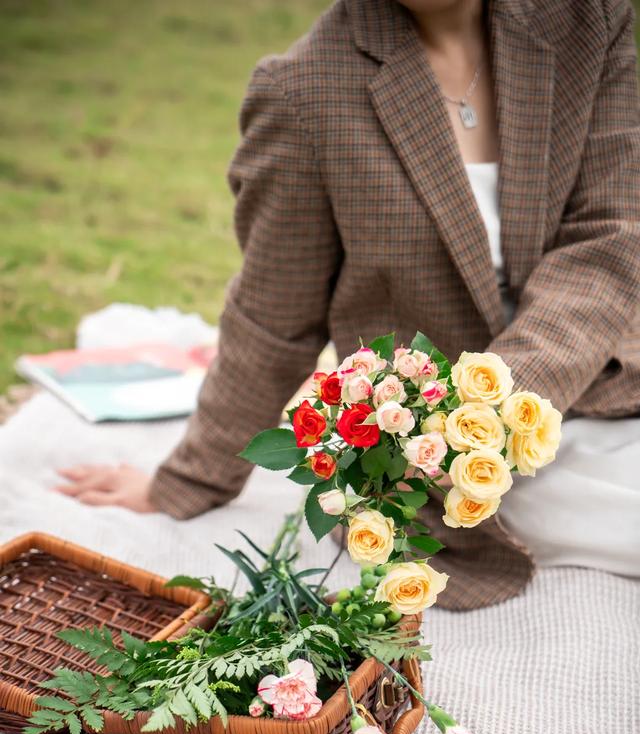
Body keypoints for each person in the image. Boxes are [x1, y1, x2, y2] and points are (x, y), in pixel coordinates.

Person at [54, 0, 640, 609]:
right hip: (434, 467)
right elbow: (275, 319)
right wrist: (185, 480)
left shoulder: (587, 20)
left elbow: (610, 233)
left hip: (607, 390)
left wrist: (498, 402)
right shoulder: (304, 91)